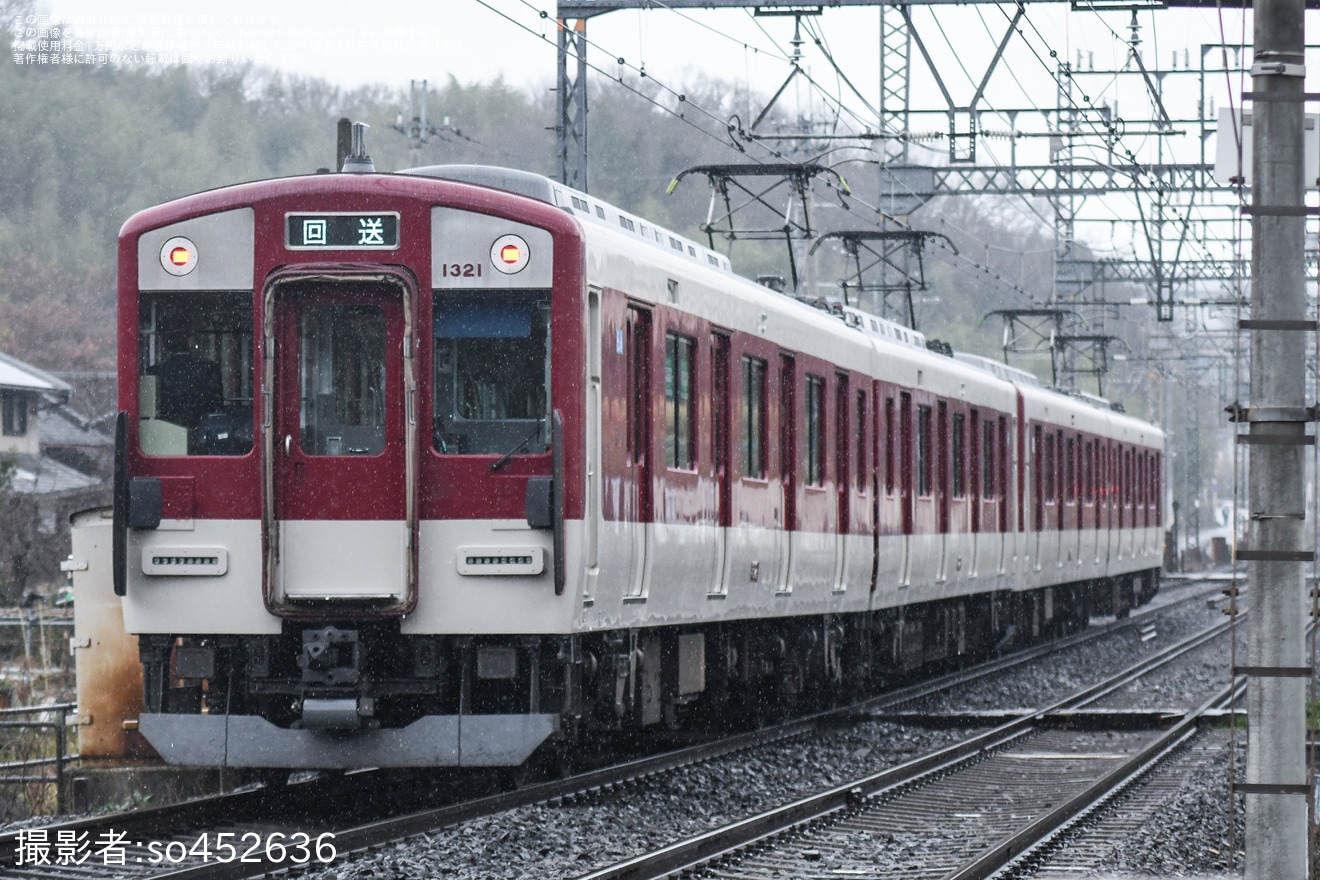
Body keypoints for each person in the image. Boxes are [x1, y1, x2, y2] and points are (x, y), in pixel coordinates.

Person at [149, 329, 224, 430]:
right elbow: (216, 405)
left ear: (165, 345)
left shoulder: (155, 372)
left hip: (162, 430)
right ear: (190, 342)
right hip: (202, 430)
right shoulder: (208, 369)